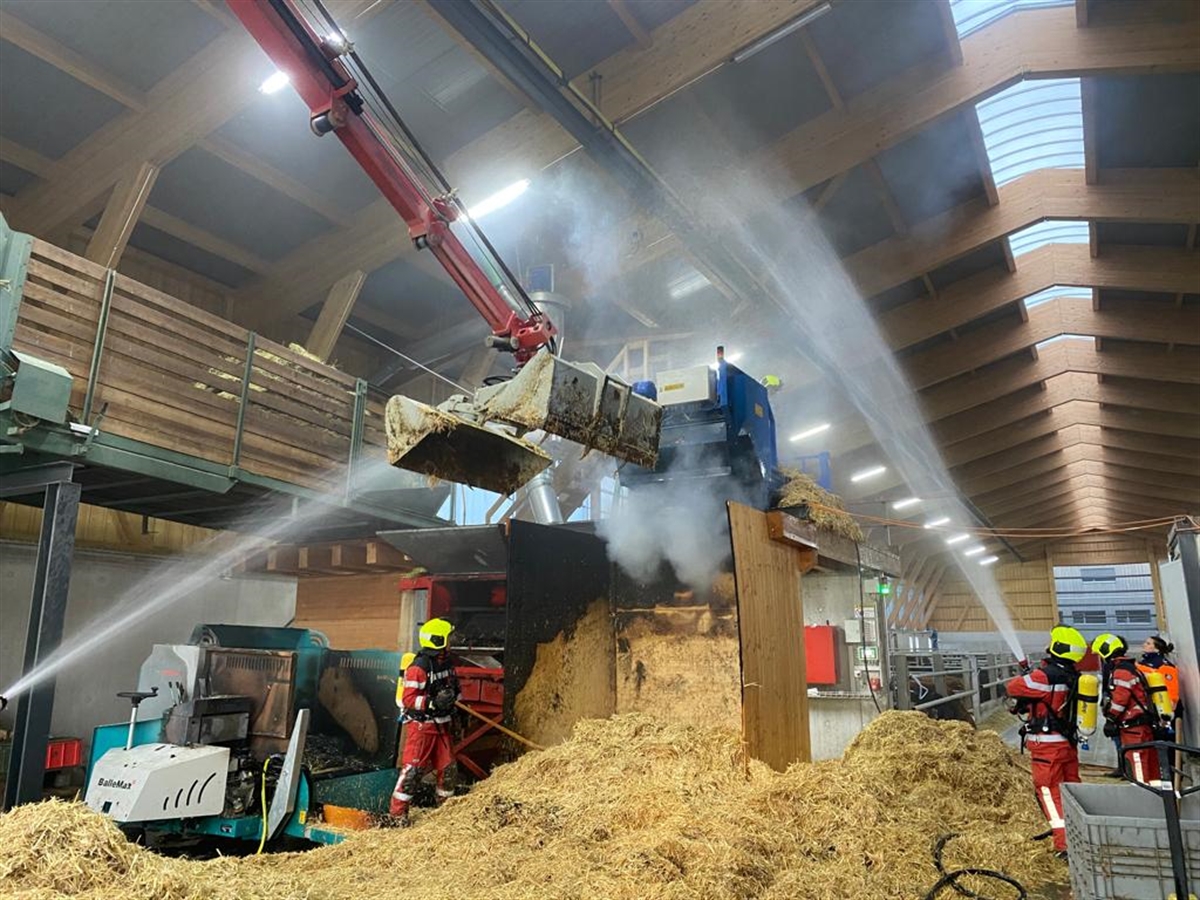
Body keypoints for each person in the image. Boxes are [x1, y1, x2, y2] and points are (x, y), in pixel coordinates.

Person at [1006, 625, 1088, 856]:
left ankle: (1064, 844)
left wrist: (1030, 676)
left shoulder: (1045, 676)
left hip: (1047, 747)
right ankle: (1080, 831)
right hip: (1067, 743)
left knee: (1049, 792)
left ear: (1058, 648)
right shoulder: (1073, 675)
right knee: (1071, 787)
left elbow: (1013, 687)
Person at [388, 618, 461, 825]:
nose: (451, 642)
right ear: (438, 641)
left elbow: (454, 688)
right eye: (448, 638)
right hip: (422, 728)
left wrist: (453, 699)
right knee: (412, 773)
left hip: (442, 726)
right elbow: (408, 699)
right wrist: (432, 701)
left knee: (448, 770)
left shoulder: (446, 663)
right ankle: (397, 817)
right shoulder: (418, 668)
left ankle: (445, 815)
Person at [1093, 633, 1163, 788]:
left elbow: (1120, 699)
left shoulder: (1121, 671)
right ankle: (1156, 798)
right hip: (1141, 726)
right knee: (1150, 766)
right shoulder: (1130, 667)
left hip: (1134, 727)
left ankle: (1141, 795)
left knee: (1138, 765)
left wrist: (1111, 718)